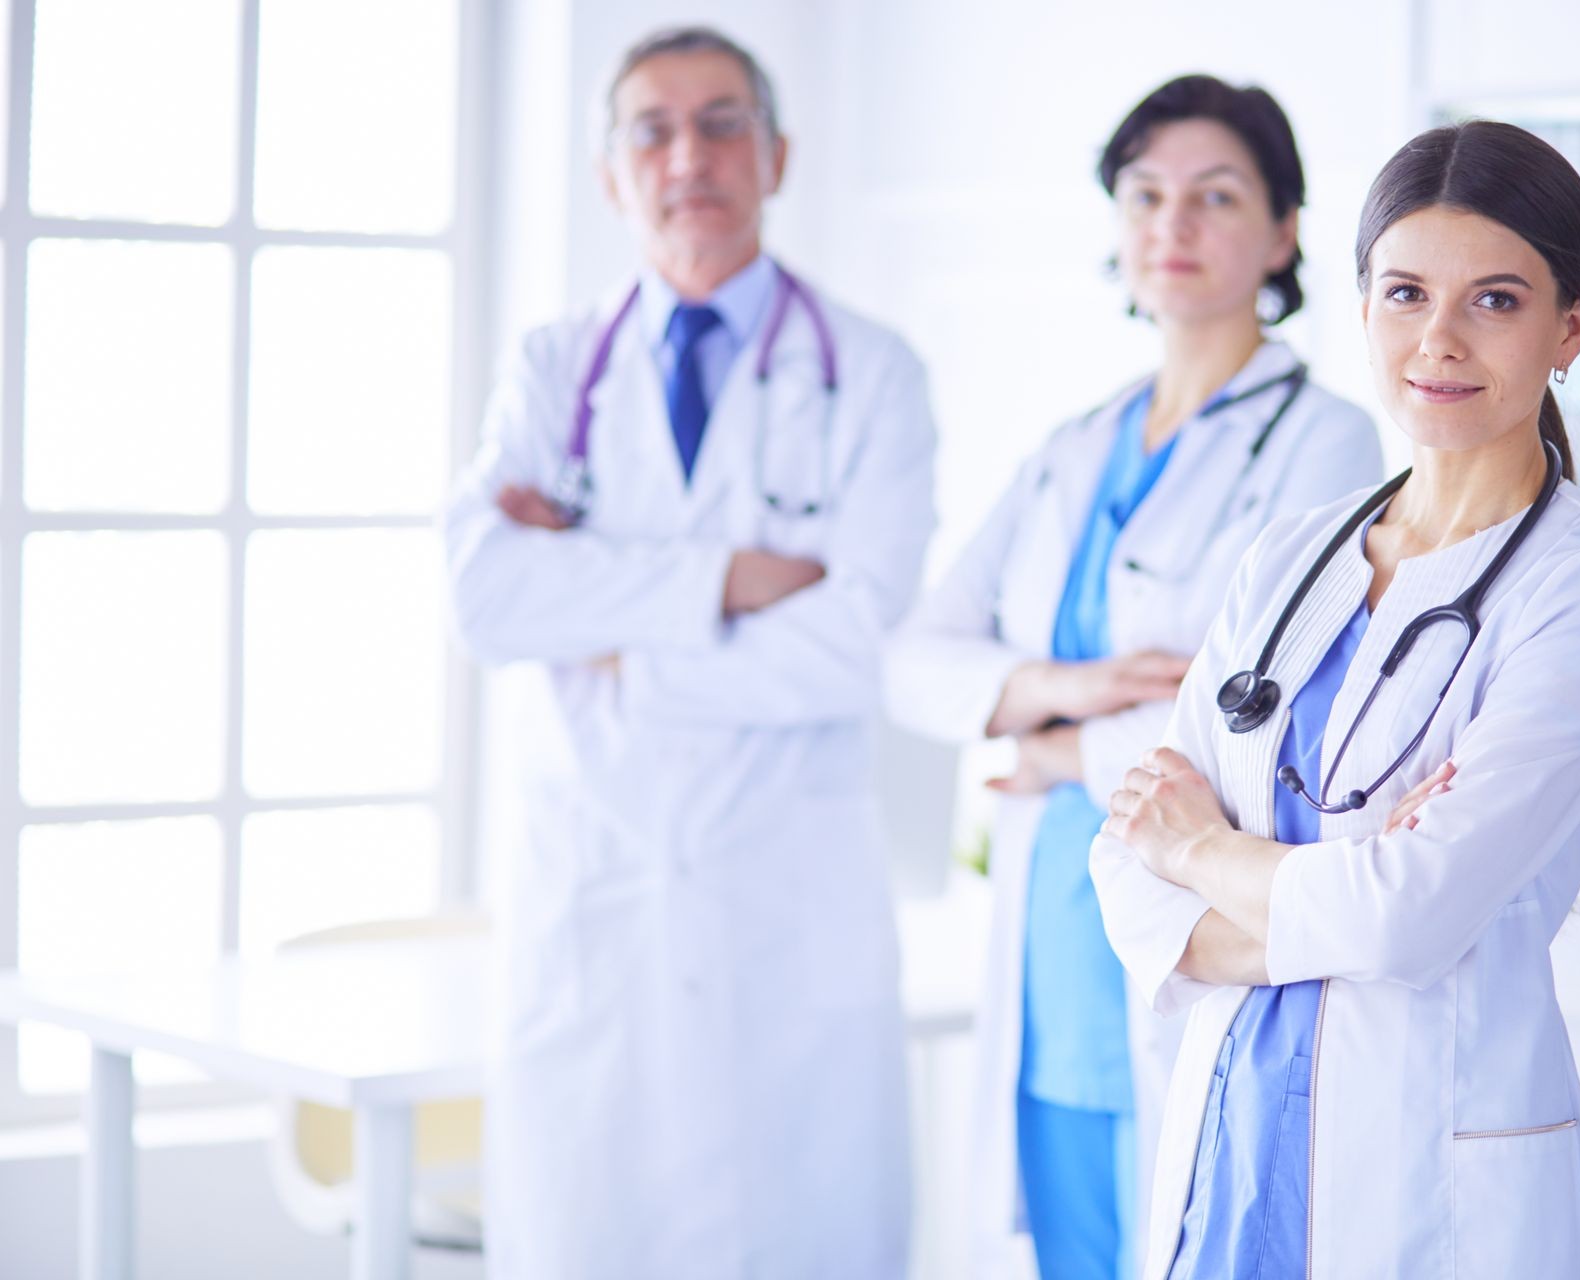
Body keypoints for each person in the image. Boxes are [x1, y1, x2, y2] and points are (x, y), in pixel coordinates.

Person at [1092, 120, 1580, 1279]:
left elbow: (1407, 913)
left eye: (1495, 300)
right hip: (1234, 1133)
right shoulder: (1294, 555)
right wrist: (1324, 907)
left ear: (1571, 329)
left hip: (1433, 1168)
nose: (1439, 338)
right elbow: (1124, 861)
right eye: (1405, 292)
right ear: (1361, 307)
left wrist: (1204, 846)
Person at [442, 26, 934, 1278]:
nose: (688, 156)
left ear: (777, 153)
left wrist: (610, 633)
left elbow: (854, 644)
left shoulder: (870, 374)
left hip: (787, 907)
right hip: (593, 892)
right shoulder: (555, 366)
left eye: (722, 123)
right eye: (651, 129)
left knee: (797, 1231)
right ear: (611, 173)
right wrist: (722, 580)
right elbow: (491, 600)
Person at [886, 76, 1380, 1280]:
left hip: (1189, 911)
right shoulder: (1073, 445)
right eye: (1147, 193)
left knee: (1190, 1232)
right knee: (1071, 1233)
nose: (1174, 223)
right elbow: (912, 658)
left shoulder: (1323, 440)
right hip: (1053, 927)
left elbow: (1263, 725)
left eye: (1216, 196)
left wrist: (1054, 744)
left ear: (1281, 234)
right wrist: (1070, 677)